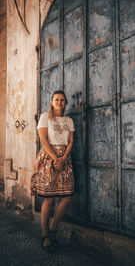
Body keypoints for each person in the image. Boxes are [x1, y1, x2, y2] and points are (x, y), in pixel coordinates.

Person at [31, 90, 75, 252]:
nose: (59, 102)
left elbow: (71, 141)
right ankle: (45, 234)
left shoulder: (69, 120)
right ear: (51, 102)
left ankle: (53, 227)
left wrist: (63, 159)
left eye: (62, 100)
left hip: (65, 158)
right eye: (56, 99)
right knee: (48, 198)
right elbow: (43, 139)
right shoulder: (45, 117)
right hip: (48, 157)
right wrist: (55, 158)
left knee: (67, 197)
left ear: (65, 103)